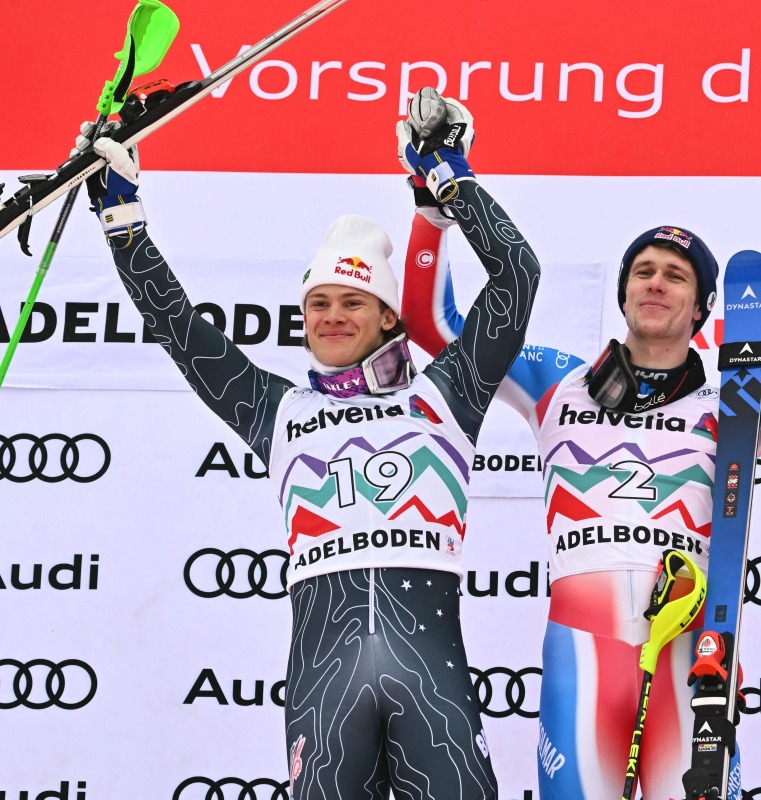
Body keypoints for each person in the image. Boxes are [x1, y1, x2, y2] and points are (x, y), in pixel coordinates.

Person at [82, 88, 537, 800]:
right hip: (325, 689)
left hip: (431, 681)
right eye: (318, 303)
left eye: (352, 301)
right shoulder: (278, 408)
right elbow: (179, 331)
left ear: (389, 315)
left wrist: (451, 181)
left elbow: (518, 277)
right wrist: (123, 223)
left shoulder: (446, 394)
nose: (331, 316)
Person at [401, 178, 761, 799]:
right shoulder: (557, 383)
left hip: (692, 663)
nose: (656, 282)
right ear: (623, 294)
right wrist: (434, 212)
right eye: (643, 271)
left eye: (676, 275)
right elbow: (435, 326)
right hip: (581, 664)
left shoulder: (731, 406)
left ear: (701, 309)